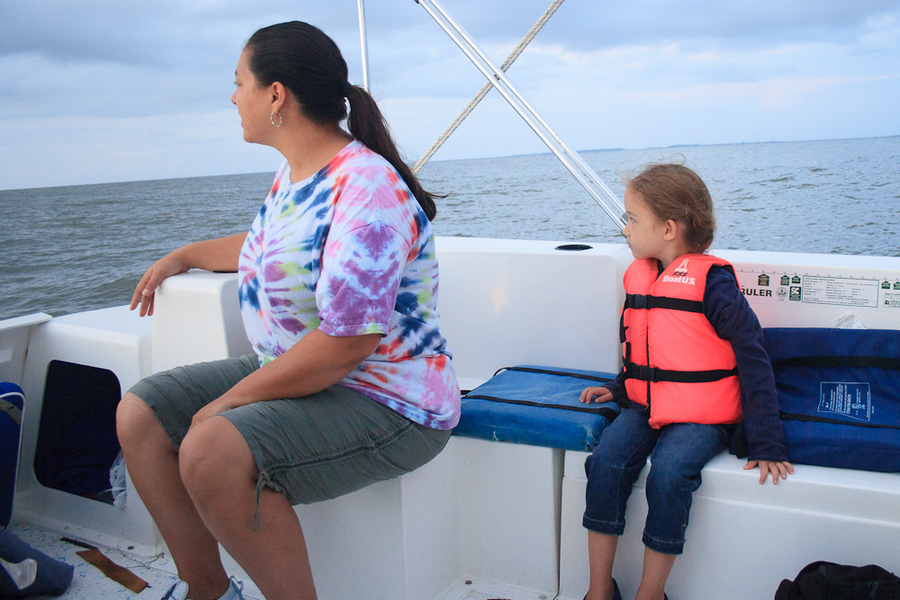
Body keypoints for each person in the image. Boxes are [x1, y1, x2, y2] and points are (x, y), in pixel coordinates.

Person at [115, 21, 460, 600]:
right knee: (140, 414)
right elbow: (267, 249)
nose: (233, 97)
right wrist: (183, 255)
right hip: (312, 375)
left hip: (388, 399)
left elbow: (349, 342)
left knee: (210, 446)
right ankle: (209, 589)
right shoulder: (297, 174)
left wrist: (228, 402)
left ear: (276, 94)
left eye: (239, 82)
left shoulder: (366, 188)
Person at [578, 163, 794, 600]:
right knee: (603, 465)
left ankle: (650, 594)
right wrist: (620, 389)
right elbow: (648, 348)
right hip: (645, 405)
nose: (626, 230)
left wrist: (767, 440)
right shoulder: (643, 275)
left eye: (633, 219)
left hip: (701, 416)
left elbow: (753, 355)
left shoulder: (713, 285)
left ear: (669, 228)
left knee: (670, 474)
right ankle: (599, 591)